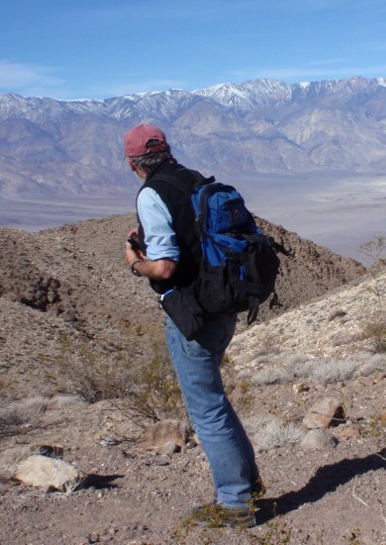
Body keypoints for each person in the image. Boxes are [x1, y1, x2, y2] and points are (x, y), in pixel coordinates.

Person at [123, 123, 262, 529]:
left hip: (192, 314)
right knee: (214, 401)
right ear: (167, 151)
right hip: (224, 306)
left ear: (132, 163)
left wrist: (134, 261)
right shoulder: (195, 179)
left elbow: (164, 266)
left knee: (206, 410)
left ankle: (235, 504)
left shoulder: (152, 193)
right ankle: (247, 483)